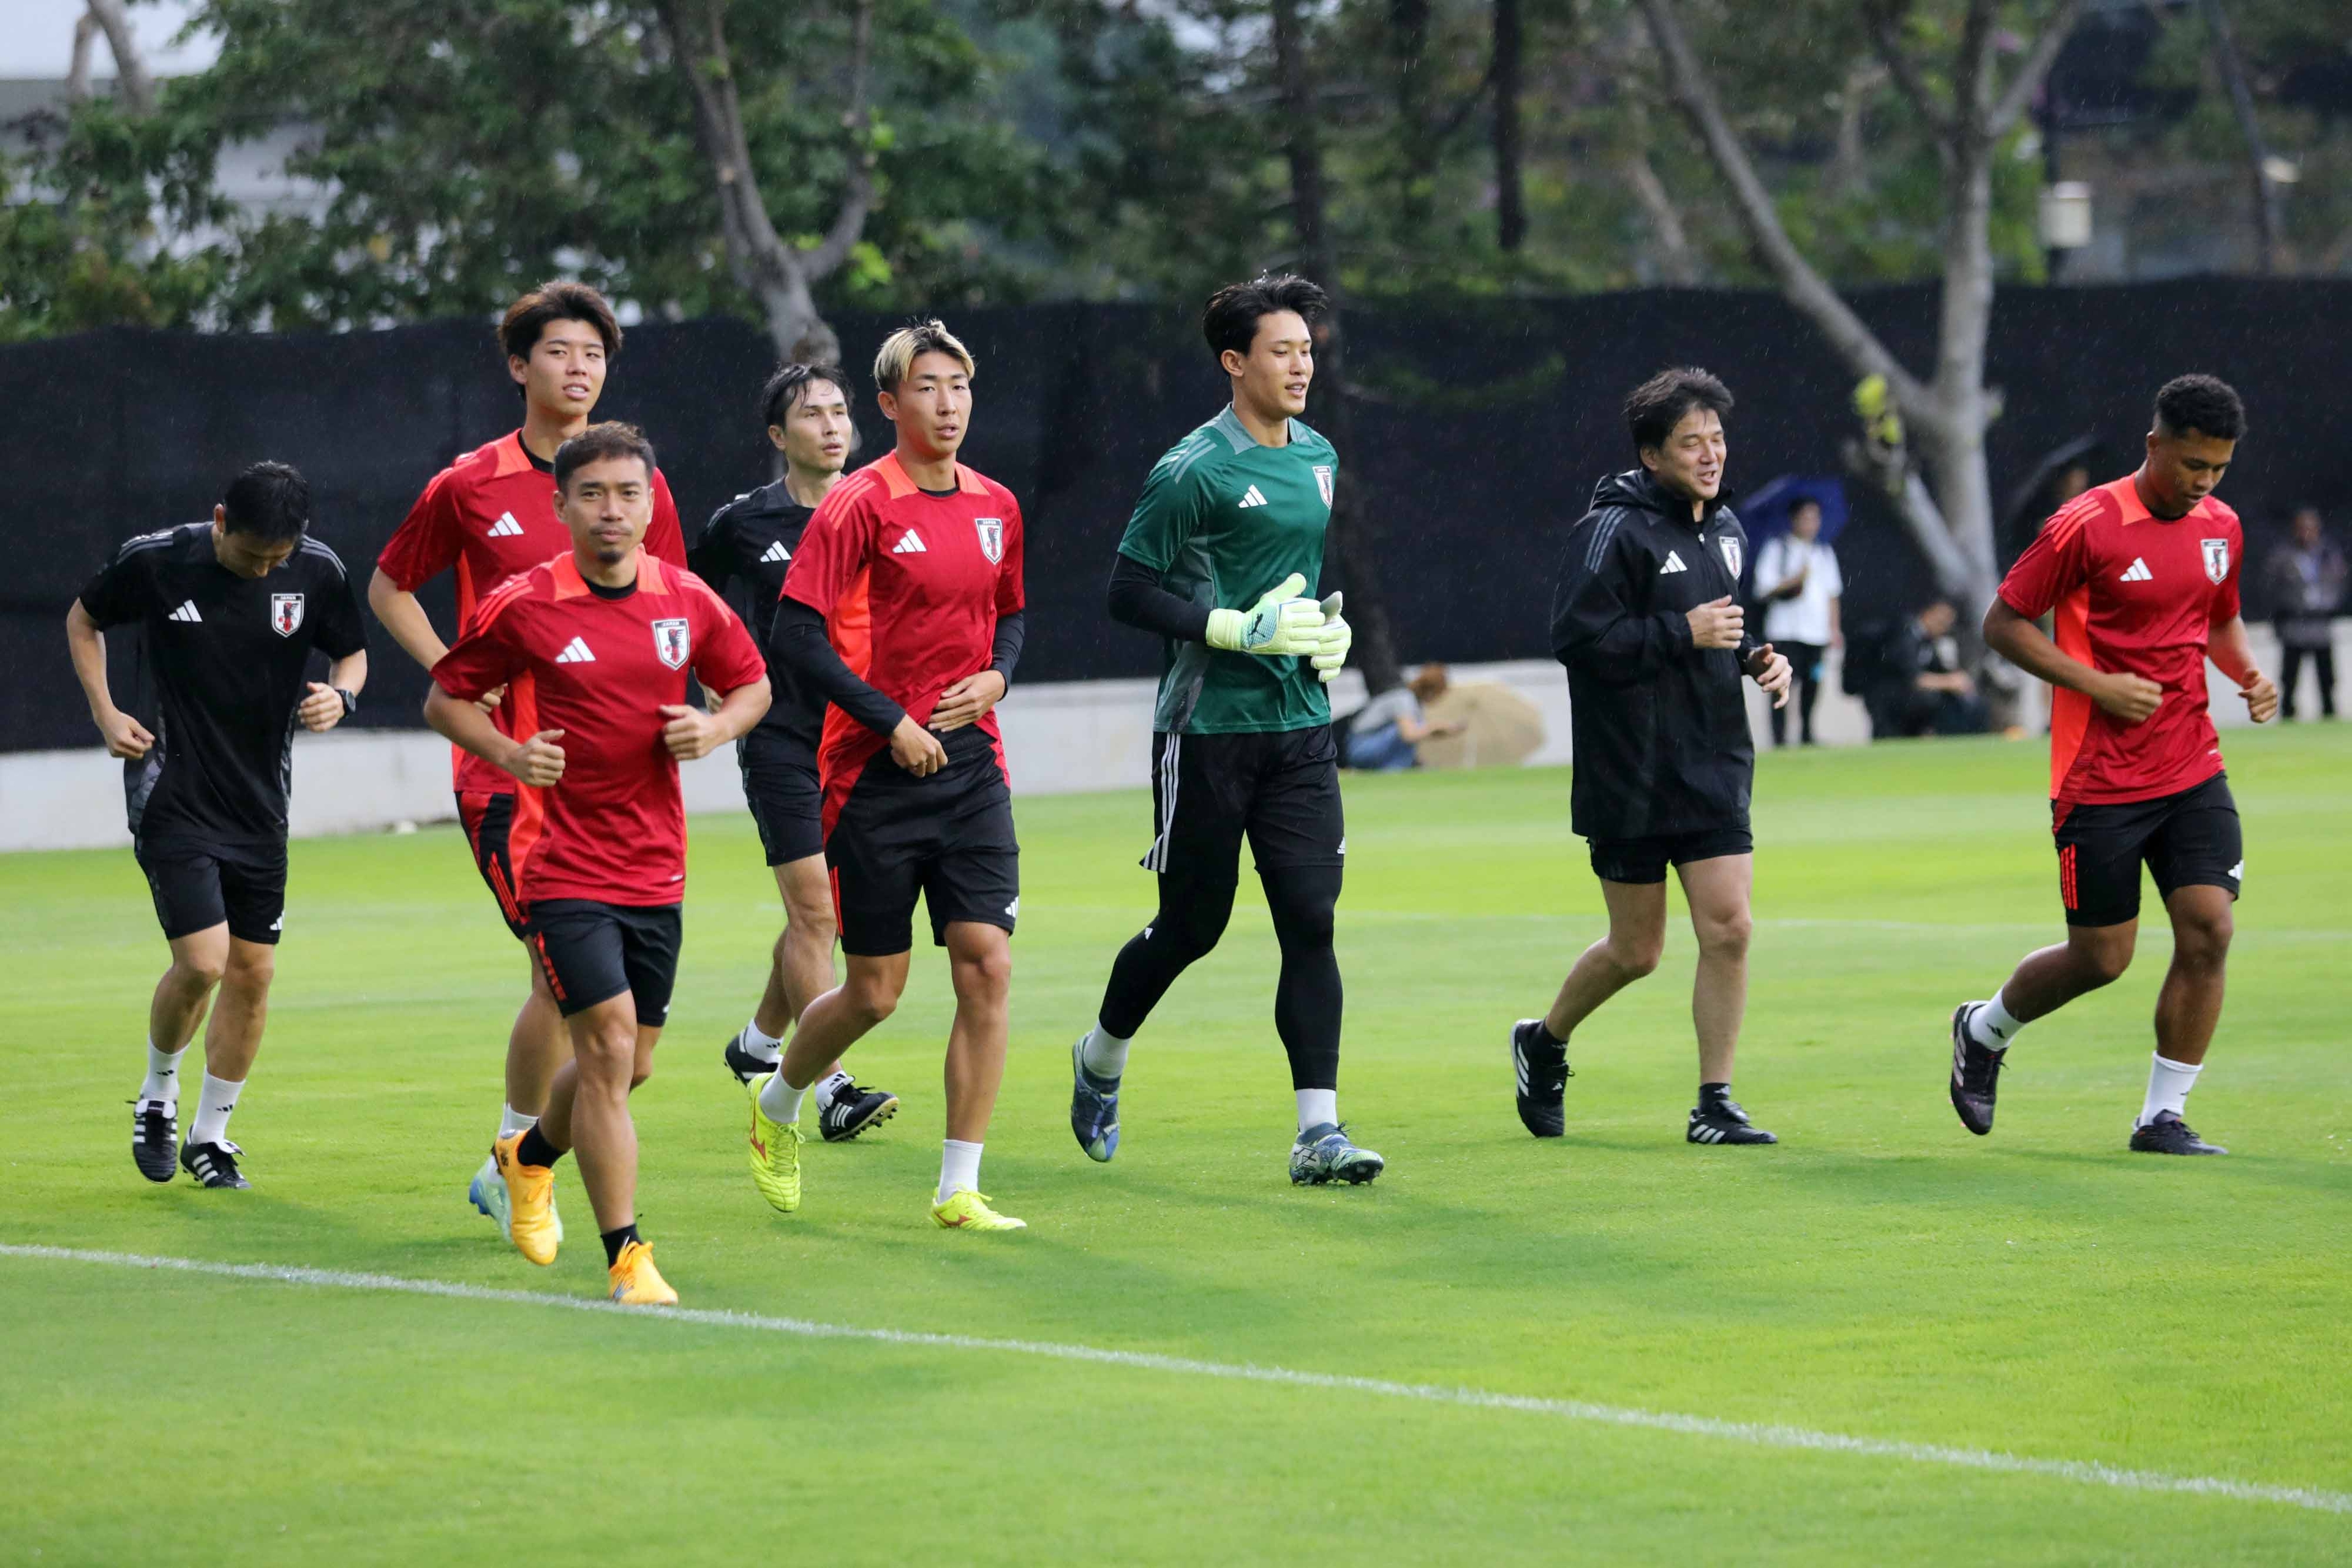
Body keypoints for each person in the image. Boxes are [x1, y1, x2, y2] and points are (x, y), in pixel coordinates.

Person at [368, 281, 688, 1246]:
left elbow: (673, 601)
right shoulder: (469, 482)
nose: (578, 367)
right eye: (558, 351)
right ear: (519, 367)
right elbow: (389, 586)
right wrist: (461, 682)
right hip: (506, 775)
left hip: (620, 789)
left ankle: (519, 1157)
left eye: (593, 353)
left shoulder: (639, 485)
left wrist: (688, 714)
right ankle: (522, 1161)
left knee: (615, 1037)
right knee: (565, 987)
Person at [427, 423, 771, 1303]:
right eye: (592, 494)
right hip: (560, 863)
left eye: (627, 494)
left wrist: (715, 726)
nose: (610, 511)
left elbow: (752, 684)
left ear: (651, 504)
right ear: (561, 506)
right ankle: (629, 1257)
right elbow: (446, 699)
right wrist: (509, 756)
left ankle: (525, 1156)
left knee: (633, 1063)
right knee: (610, 1047)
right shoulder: (525, 602)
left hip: (656, 866)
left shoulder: (686, 599)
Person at [1065, 273, 1377, 1188]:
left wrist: (1326, 625)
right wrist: (1231, 629)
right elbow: (1127, 592)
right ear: (1234, 363)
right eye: (1282, 351)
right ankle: (1101, 1057)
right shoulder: (1191, 469)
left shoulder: (1318, 455)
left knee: (1310, 920)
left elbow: (1293, 578)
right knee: (1191, 927)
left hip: (1300, 726)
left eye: (1308, 350)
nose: (1301, 366)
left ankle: (1317, 1131)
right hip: (1206, 729)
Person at [745, 320, 1031, 1232]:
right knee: (875, 989)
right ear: (890, 404)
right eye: (927, 388)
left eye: (959, 386)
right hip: (872, 769)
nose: (948, 404)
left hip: (973, 762)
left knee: (986, 964)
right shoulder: (857, 505)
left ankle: (959, 1186)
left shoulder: (997, 505)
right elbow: (796, 635)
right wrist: (891, 722)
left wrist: (999, 675)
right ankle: (779, 1101)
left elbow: (1012, 615)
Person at [1948, 375, 2277, 1157]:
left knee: (2210, 929)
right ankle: (1983, 1027)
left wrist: (2248, 674)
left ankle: (2162, 1116)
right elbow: (2003, 622)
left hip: (2191, 763)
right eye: (2192, 464)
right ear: (2154, 444)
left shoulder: (2220, 526)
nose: (2203, 483)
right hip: (2097, 779)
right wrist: (2096, 684)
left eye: (2219, 470)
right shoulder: (2085, 525)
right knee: (2103, 958)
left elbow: (2218, 618)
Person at [1507, 368, 1792, 1148]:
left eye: (1718, 439)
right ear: (1651, 455)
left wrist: (1761, 658)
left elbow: (1723, 627)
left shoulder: (1728, 530)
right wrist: (1681, 633)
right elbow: (1577, 640)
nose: (1710, 455)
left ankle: (1715, 1100)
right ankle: (1545, 1039)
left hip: (1713, 762)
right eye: (1691, 443)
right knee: (1637, 951)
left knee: (1730, 928)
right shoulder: (1611, 530)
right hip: (1628, 770)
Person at [65, 462, 368, 1189]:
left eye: (278, 559)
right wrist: (106, 712)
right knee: (204, 962)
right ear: (221, 519)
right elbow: (83, 619)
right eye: (252, 554)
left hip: (261, 806)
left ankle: (212, 1137)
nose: (265, 569)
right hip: (174, 790)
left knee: (254, 974)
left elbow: (350, 653)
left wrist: (342, 698)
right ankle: (158, 1094)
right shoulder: (158, 560)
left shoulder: (318, 571)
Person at [692, 364, 898, 1139]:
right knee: (815, 912)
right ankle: (833, 1086)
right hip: (781, 736)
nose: (832, 425)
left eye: (841, 412)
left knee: (819, 914)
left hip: (865, 735)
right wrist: (714, 680)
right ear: (780, 437)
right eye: (812, 415)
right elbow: (684, 601)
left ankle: (757, 1045)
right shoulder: (743, 523)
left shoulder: (884, 507)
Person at [1751, 498, 1841, 745]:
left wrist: (1834, 629)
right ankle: (1779, 738)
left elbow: (1833, 594)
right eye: (1805, 517)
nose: (1811, 524)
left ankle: (1807, 734)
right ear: (1794, 520)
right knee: (1781, 684)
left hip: (1816, 633)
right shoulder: (1777, 549)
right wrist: (1794, 580)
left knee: (1813, 684)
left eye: (1815, 518)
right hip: (1785, 631)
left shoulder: (1823, 552)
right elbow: (1762, 590)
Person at [2265, 507, 2345, 720]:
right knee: (2290, 678)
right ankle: (2288, 714)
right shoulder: (2283, 556)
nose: (2307, 533)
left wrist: (2325, 603)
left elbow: (2339, 582)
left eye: (2311, 528)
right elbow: (2273, 588)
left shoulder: (2328, 554)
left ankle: (2329, 713)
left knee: (2326, 677)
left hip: (2320, 625)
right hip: (2294, 625)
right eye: (2302, 528)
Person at [1892, 600, 1989, 737]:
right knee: (1931, 700)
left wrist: (1958, 679)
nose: (1944, 626)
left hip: (1923, 694)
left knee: (1973, 702)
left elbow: (1940, 669)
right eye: (1941, 620)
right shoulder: (1905, 636)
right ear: (1928, 613)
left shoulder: (1933, 642)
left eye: (1947, 623)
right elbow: (1914, 679)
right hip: (1896, 697)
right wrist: (1950, 682)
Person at [1344, 665, 1463, 771]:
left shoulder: (1414, 702)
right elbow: (1409, 735)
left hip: (1372, 744)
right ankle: (1396, 769)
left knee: (1415, 728)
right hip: (1361, 747)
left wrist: (1444, 730)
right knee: (1407, 730)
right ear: (1432, 691)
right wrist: (1434, 727)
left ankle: (1396, 768)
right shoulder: (1404, 698)